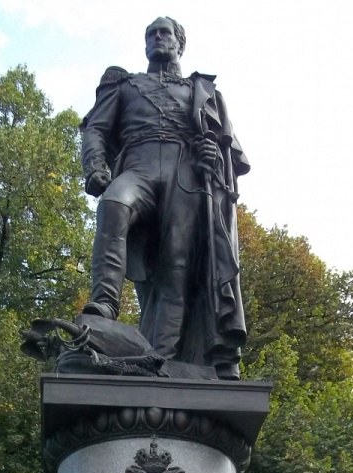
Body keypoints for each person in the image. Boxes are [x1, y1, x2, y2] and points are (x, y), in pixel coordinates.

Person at [80, 17, 249, 379]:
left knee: (177, 268)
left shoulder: (202, 90)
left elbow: (231, 153)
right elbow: (95, 128)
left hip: (184, 174)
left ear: (179, 44)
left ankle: (160, 358)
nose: (157, 38)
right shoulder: (124, 85)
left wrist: (212, 152)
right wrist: (95, 166)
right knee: (113, 204)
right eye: (150, 34)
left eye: (164, 33)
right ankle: (104, 304)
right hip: (137, 166)